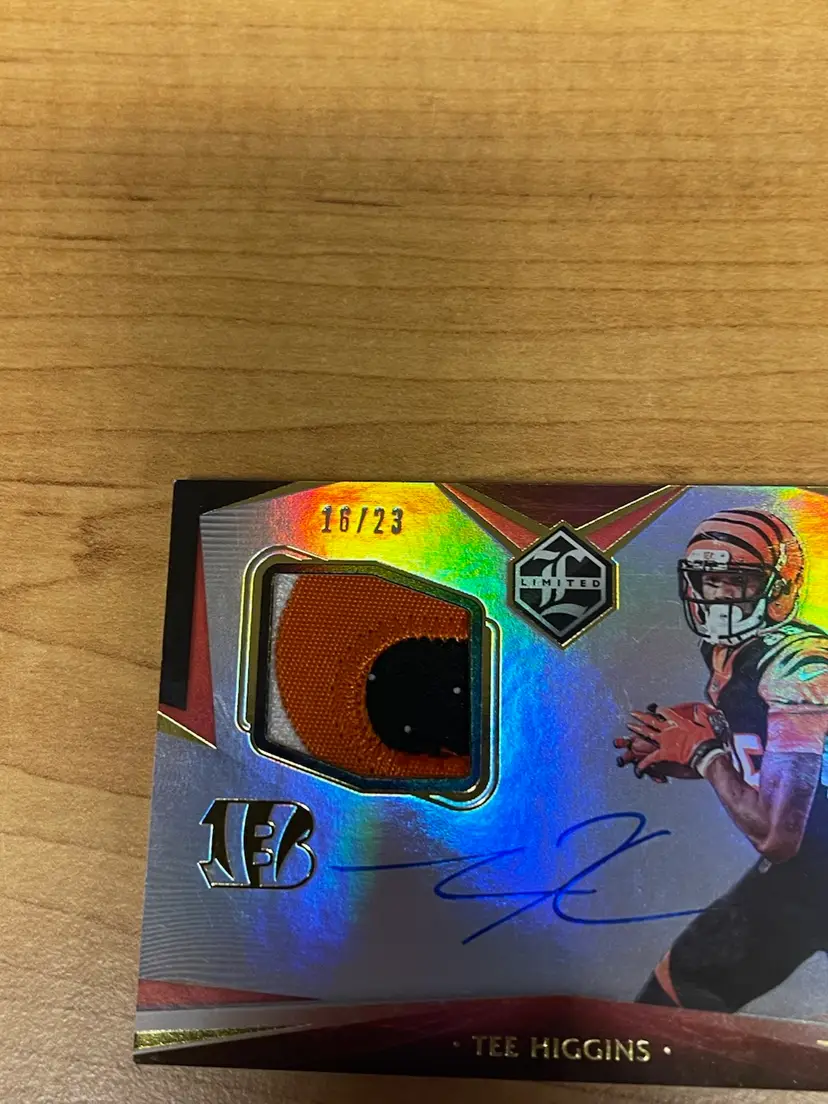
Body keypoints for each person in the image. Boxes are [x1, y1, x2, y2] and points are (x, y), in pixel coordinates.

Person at [616, 508, 828, 1012]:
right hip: (809, 871)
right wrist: (697, 748)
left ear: (779, 589)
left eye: (738, 582)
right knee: (680, 988)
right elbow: (775, 766)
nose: (720, 596)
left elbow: (777, 835)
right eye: (710, 581)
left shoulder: (799, 665)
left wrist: (705, 752)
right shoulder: (728, 653)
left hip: (806, 859)